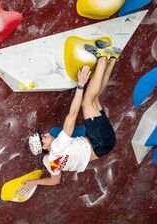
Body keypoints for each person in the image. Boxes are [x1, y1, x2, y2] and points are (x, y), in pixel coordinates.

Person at [21, 41, 120, 192]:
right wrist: (80, 85)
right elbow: (72, 115)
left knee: (95, 99)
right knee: (87, 102)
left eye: (43, 134)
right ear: (45, 147)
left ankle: (112, 57)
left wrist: (34, 182)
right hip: (99, 141)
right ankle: (102, 57)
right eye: (44, 138)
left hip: (102, 146)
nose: (46, 134)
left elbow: (55, 180)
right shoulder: (58, 146)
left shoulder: (49, 161)